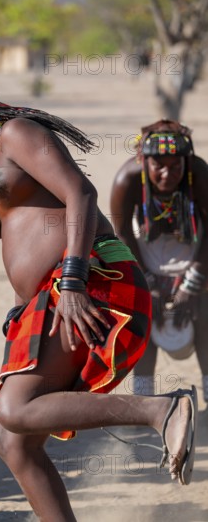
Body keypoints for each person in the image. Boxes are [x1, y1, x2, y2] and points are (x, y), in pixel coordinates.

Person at [0, 73, 197, 520]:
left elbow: (80, 193)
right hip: (54, 295)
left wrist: (73, 279)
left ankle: (161, 407)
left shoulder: (18, 132)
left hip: (94, 281)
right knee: (12, 443)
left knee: (14, 408)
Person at [110, 119, 208, 401]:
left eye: (175, 166)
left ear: (186, 163)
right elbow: (122, 235)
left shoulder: (199, 175)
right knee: (143, 318)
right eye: (159, 166)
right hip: (145, 256)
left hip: (195, 256)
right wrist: (147, 284)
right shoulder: (127, 180)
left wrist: (192, 285)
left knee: (203, 316)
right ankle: (144, 402)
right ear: (145, 162)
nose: (167, 174)